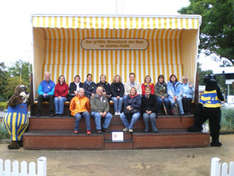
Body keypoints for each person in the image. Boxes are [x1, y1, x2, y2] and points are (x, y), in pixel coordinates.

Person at [188, 74, 224, 147]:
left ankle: (196, 127)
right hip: (215, 109)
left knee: (201, 118)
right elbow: (221, 98)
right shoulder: (216, 87)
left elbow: (202, 100)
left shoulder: (206, 88)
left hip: (207, 109)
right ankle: (215, 142)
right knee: (215, 126)